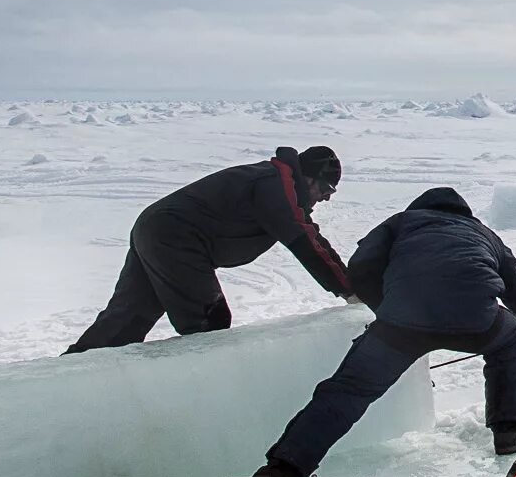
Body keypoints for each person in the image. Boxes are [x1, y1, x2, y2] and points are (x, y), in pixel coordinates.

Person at [222, 188, 516, 477]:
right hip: (477, 319)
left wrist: (387, 311)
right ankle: (510, 428)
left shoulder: (400, 223)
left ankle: (276, 474)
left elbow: (362, 267)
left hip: (401, 324)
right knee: (513, 343)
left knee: (347, 391)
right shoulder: (483, 233)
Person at [66, 146, 352, 353]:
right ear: (308, 178)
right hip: (175, 235)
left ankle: (73, 377)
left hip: (157, 227)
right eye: (327, 188)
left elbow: (308, 233)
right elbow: (307, 242)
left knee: (128, 317)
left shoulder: (277, 184)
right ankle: (196, 405)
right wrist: (349, 291)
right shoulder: (276, 185)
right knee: (209, 324)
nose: (326, 198)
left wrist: (348, 286)